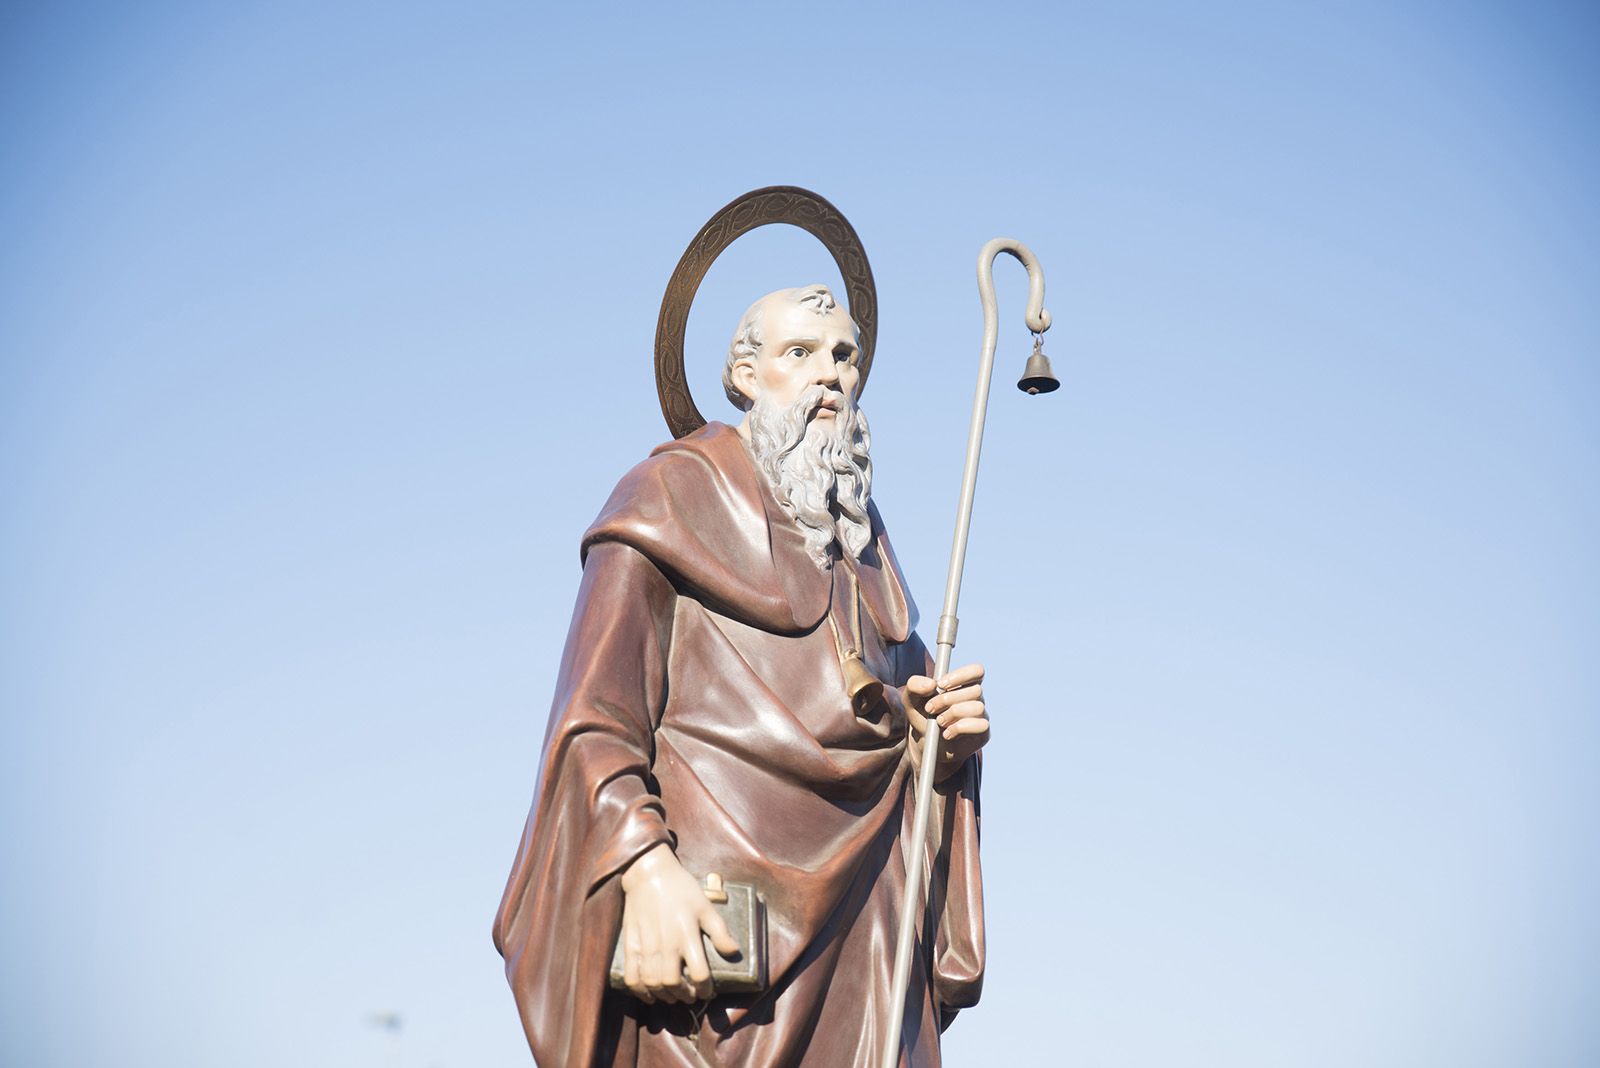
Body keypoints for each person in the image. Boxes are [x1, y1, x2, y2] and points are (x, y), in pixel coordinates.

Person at [493, 285, 990, 1066]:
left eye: (844, 355)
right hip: (722, 949)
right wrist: (642, 866)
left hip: (866, 949)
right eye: (801, 353)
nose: (831, 374)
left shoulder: (871, 558)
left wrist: (942, 758)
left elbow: (899, 753)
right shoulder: (667, 501)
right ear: (746, 376)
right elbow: (594, 719)